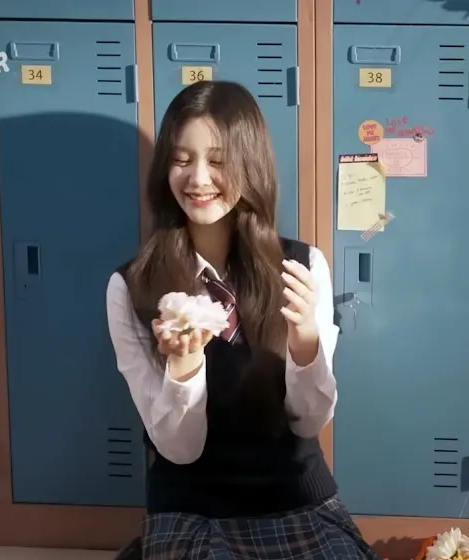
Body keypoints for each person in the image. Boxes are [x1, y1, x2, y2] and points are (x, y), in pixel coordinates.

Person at [106, 80, 378, 559]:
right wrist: (184, 368)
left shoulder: (302, 266)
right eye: (182, 159)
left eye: (218, 160)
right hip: (191, 505)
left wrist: (306, 343)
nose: (198, 179)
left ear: (250, 164)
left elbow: (309, 421)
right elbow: (179, 449)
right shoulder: (131, 288)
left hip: (294, 495)